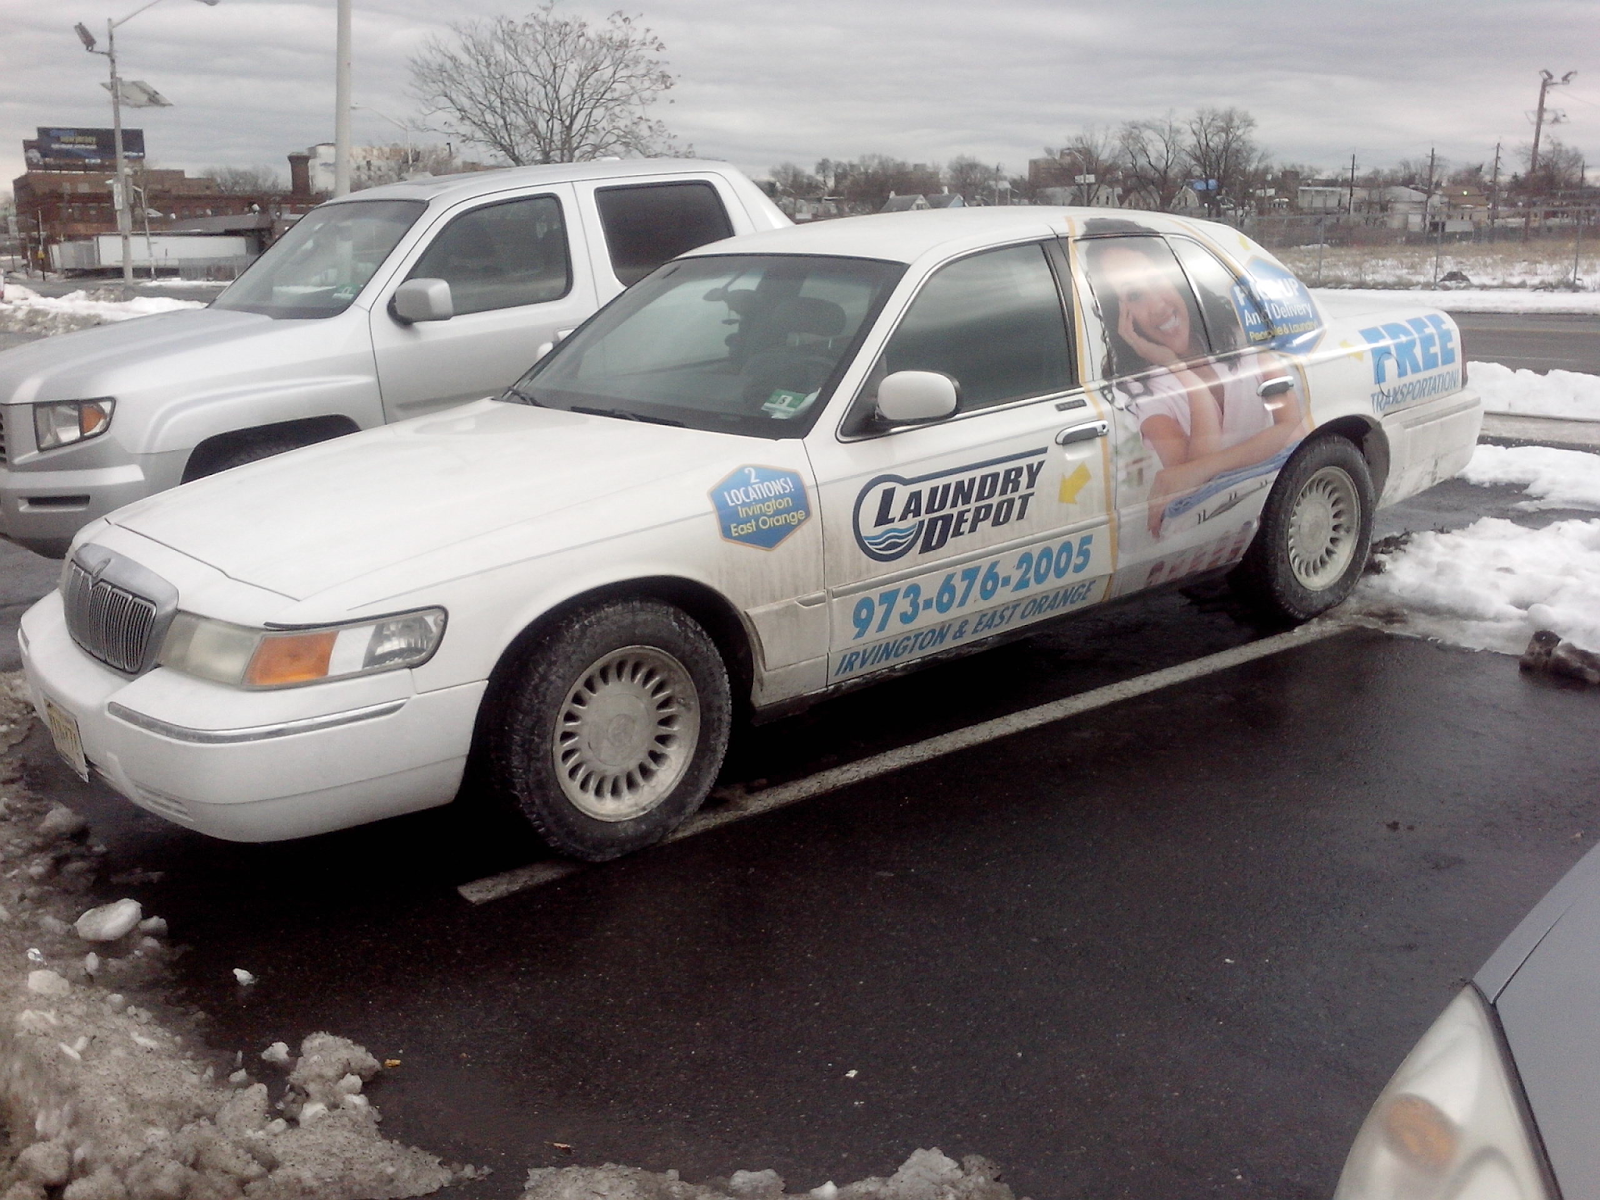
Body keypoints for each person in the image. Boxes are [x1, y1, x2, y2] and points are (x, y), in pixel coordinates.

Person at [1083, 231, 1306, 536]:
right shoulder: (1143, 391)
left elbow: (1295, 429)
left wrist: (1199, 470)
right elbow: (1192, 494)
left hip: (1279, 523)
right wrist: (1179, 371)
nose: (1158, 305)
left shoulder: (1242, 339)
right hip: (1213, 538)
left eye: (1157, 278)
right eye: (1134, 295)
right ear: (1122, 317)